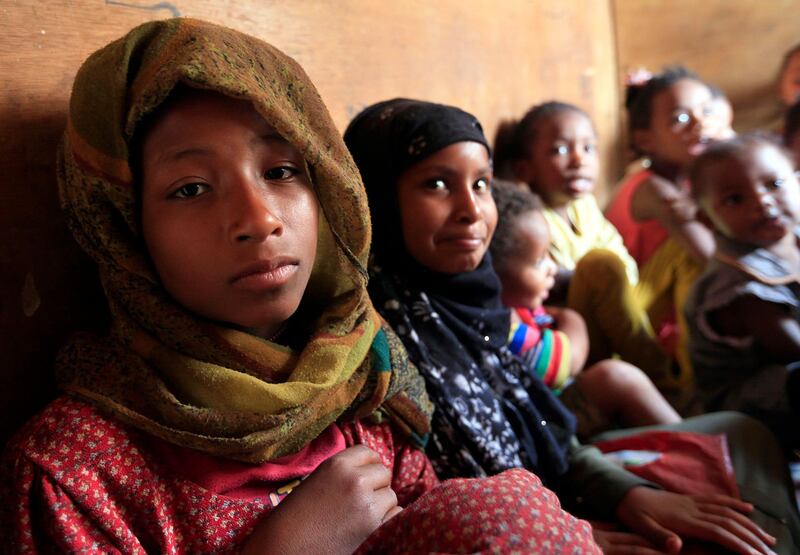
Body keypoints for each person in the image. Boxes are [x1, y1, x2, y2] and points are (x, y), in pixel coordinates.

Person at [0, 19, 603, 554]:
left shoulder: (357, 385)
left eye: (282, 171)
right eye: (190, 188)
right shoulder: (75, 472)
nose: (259, 219)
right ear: (123, 227)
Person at [345, 97, 800, 555]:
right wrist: (563, 528)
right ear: (377, 198)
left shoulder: (472, 307)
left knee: (743, 435)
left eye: (481, 184)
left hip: (560, 488)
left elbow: (544, 429)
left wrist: (628, 494)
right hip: (508, 530)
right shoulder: (381, 344)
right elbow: (434, 500)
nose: (471, 210)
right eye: (437, 184)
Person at [493, 101, 682, 404]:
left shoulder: (585, 206)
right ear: (523, 170)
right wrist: (598, 275)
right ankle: (668, 386)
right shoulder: (531, 224)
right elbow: (557, 283)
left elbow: (622, 258)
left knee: (677, 249)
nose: (579, 160)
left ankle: (688, 362)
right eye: (560, 150)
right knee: (598, 264)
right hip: (586, 332)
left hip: (624, 307)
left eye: (589, 148)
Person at [489, 179, 681, 439]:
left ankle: (686, 433)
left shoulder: (520, 307)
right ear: (494, 274)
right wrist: (572, 319)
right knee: (615, 378)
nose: (551, 268)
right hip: (548, 418)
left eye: (549, 256)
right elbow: (564, 365)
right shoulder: (502, 325)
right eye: (538, 261)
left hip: (560, 398)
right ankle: (689, 439)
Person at [605, 66, 724, 384]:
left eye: (707, 111)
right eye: (680, 119)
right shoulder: (652, 189)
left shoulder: (690, 181)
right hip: (644, 331)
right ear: (645, 140)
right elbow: (713, 258)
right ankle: (692, 387)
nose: (701, 124)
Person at [687, 134, 800, 448]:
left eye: (774, 184)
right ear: (707, 219)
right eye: (735, 199)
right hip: (745, 411)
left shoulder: (793, 239)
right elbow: (793, 347)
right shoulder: (737, 285)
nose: (762, 201)